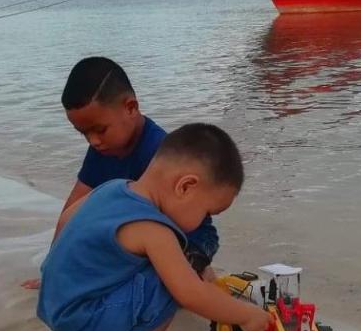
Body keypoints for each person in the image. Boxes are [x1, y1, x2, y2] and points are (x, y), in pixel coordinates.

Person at [37, 123, 267, 331]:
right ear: (186, 187)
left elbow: (67, 220)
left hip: (55, 311)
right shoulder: (153, 229)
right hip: (81, 329)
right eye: (207, 212)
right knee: (178, 275)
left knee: (158, 269)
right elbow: (190, 294)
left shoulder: (114, 188)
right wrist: (246, 315)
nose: (204, 221)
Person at [20, 57, 221, 288]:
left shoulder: (161, 154)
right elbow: (74, 209)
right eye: (83, 133)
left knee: (161, 284)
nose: (93, 141)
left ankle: (203, 276)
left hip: (191, 237)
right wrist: (52, 269)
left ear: (131, 108)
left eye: (99, 130)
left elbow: (183, 222)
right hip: (143, 231)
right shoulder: (102, 149)